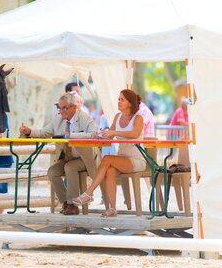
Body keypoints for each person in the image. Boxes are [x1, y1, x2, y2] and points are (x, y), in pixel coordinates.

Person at [20, 92, 100, 215]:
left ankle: (73, 205)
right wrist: (29, 131)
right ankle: (66, 203)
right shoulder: (58, 120)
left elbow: (94, 135)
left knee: (70, 167)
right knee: (52, 172)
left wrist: (72, 136)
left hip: (86, 159)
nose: (61, 111)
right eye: (59, 107)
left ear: (74, 107)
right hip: (68, 158)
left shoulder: (85, 118)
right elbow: (43, 133)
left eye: (64, 108)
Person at [72, 89, 146, 217]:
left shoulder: (138, 118)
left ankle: (89, 193)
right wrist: (101, 134)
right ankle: (112, 208)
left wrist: (114, 133)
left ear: (130, 103)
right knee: (110, 171)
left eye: (122, 99)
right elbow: (109, 137)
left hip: (137, 160)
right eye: (118, 99)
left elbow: (134, 134)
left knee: (107, 159)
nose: (119, 101)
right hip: (122, 159)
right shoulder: (117, 117)